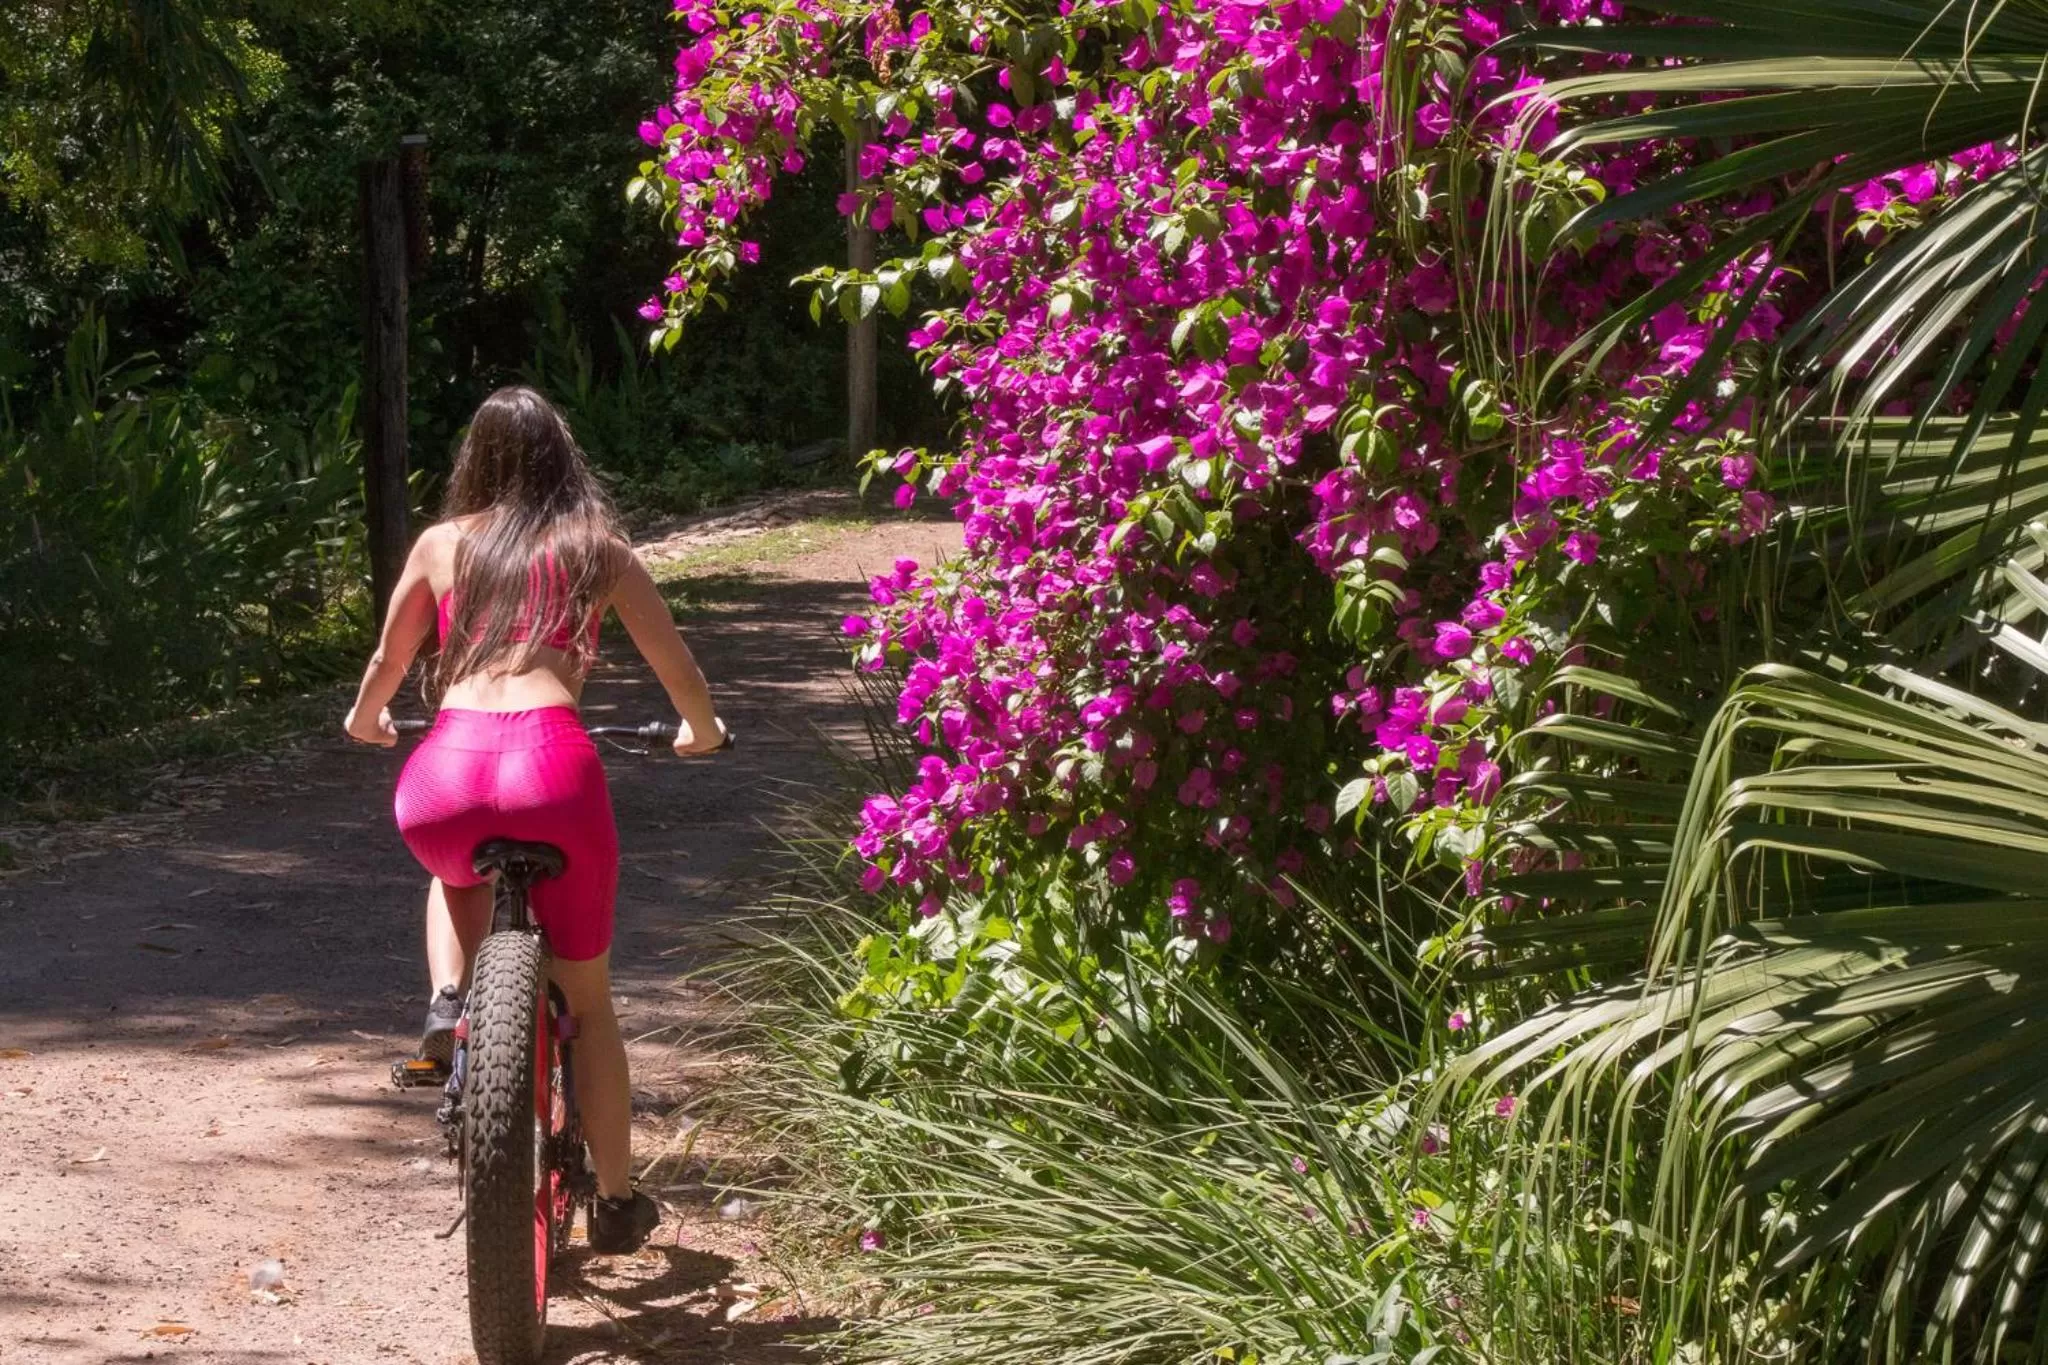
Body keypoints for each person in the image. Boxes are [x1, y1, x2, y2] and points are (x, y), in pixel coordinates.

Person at [342, 385, 725, 1254]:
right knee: (588, 1002)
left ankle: (448, 1000)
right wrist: (700, 731)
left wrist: (367, 719)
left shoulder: (442, 543)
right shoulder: (601, 550)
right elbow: (679, 666)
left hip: (447, 771)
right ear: (564, 457)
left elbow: (386, 661)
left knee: (452, 871)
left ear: (475, 460)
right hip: (554, 766)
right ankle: (619, 1202)